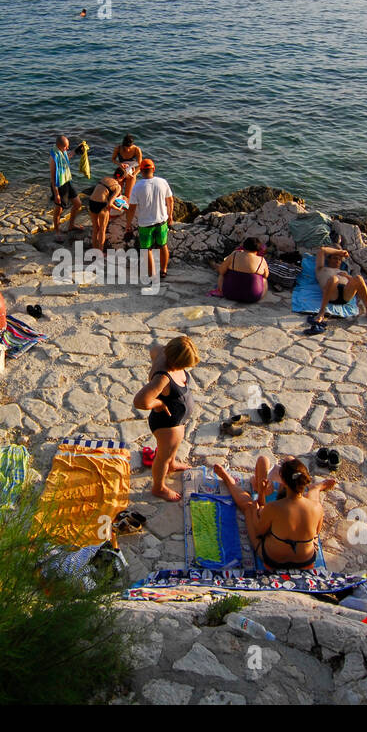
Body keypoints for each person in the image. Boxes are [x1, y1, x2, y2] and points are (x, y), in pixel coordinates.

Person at [212, 456, 335, 570]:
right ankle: (317, 488)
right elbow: (316, 534)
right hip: (306, 561)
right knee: (312, 499)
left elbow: (260, 531)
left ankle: (228, 481)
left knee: (249, 507)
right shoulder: (316, 507)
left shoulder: (274, 508)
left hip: (272, 560)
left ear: (284, 483)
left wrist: (259, 499)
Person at [133, 337, 199, 502]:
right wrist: (159, 403)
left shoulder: (162, 351)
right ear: (175, 361)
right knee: (162, 456)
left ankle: (172, 464)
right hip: (166, 424)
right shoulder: (163, 378)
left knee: (171, 450)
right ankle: (159, 487)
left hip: (176, 421)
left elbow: (153, 349)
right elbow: (140, 401)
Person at [126, 159, 174, 280]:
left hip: (145, 224)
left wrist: (128, 224)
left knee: (147, 250)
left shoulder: (137, 187)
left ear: (141, 171)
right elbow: (170, 200)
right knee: (163, 246)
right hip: (162, 221)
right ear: (153, 169)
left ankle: (152, 274)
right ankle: (163, 271)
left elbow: (131, 208)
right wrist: (171, 216)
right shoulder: (162, 182)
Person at [314, 240, 367, 325]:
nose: (337, 261)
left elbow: (356, 284)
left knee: (359, 278)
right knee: (334, 279)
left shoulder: (343, 272)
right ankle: (322, 312)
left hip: (346, 295)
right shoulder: (321, 269)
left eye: (339, 259)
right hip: (331, 294)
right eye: (334, 258)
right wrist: (340, 252)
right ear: (328, 259)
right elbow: (322, 250)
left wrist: (347, 276)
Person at [210, 237, 269, 302]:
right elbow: (266, 275)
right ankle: (259, 295)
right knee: (264, 280)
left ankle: (221, 290)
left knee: (222, 274)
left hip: (229, 294)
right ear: (258, 249)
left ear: (244, 246)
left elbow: (221, 271)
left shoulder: (234, 254)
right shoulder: (261, 260)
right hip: (252, 297)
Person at [48, 135, 83, 240]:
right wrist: (56, 194)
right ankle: (57, 232)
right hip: (59, 185)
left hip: (67, 181)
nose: (67, 148)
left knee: (78, 204)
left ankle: (71, 225)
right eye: (66, 147)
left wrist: (77, 149)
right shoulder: (53, 158)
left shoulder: (61, 152)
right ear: (60, 146)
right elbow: (53, 178)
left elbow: (68, 155)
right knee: (59, 209)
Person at [86, 172, 122, 251]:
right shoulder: (118, 186)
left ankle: (94, 250)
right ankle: (100, 253)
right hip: (101, 204)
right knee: (102, 229)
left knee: (95, 228)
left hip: (91, 201)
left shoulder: (104, 178)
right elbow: (109, 204)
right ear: (122, 179)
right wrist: (118, 209)